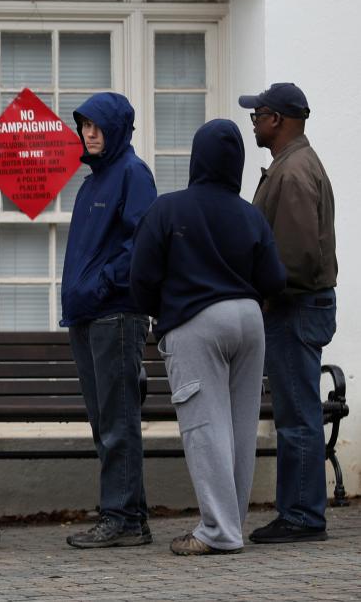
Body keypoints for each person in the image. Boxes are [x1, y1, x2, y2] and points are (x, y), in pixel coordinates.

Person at [130, 119, 286, 555]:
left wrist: (163, 310)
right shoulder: (249, 214)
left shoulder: (168, 209)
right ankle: (229, 524)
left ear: (196, 158)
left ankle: (218, 532)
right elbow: (274, 278)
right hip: (249, 321)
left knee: (205, 425)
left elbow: (140, 278)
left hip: (195, 322)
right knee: (238, 428)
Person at [238, 82, 339, 544]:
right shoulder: (293, 164)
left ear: (277, 119)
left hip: (294, 307)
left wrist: (262, 287)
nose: (254, 123)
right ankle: (299, 511)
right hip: (298, 306)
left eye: (257, 115)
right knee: (298, 412)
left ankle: (301, 515)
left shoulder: (293, 171)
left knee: (297, 415)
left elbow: (296, 258)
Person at [58, 93, 157, 548]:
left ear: (117, 128)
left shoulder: (133, 174)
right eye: (84, 125)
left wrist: (101, 285)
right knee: (107, 421)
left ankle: (120, 517)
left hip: (115, 314)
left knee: (117, 421)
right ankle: (130, 517)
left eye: (97, 125)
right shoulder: (92, 181)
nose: (89, 133)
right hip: (88, 315)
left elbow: (141, 244)